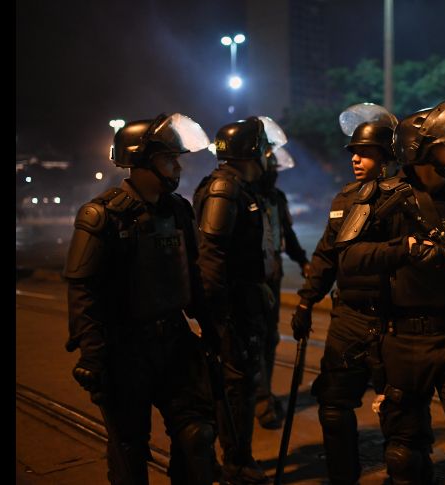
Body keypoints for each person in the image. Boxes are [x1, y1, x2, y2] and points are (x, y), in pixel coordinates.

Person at [335, 101, 445, 484]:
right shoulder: (378, 198)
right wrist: (405, 249)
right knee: (404, 456)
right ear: (422, 149)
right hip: (401, 340)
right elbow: (348, 258)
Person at [63, 113, 219, 484]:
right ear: (142, 161)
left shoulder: (177, 210)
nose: (177, 166)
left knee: (198, 435)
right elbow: (83, 291)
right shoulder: (101, 216)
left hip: (175, 341)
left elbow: (191, 273)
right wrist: (92, 354)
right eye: (169, 158)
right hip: (125, 349)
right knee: (130, 451)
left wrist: (211, 326)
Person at [289, 103, 398, 484]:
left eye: (365, 153)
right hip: (348, 319)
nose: (355, 158)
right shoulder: (344, 200)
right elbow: (325, 255)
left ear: (386, 157)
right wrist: (306, 300)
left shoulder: (404, 200)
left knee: (398, 414)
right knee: (333, 407)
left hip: (392, 322)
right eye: (353, 152)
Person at [193, 116, 283, 484]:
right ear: (253, 152)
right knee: (233, 389)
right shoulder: (226, 189)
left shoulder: (242, 188)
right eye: (263, 150)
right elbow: (212, 256)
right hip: (232, 311)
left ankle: (228, 459)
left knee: (239, 386)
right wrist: (219, 316)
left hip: (243, 306)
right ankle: (235, 462)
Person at [254, 145, 311, 430]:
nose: (274, 175)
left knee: (270, 338)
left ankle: (263, 393)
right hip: (251, 282)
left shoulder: (276, 198)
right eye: (271, 169)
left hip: (272, 279)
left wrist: (303, 261)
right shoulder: (243, 196)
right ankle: (260, 398)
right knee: (254, 339)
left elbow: (286, 234)